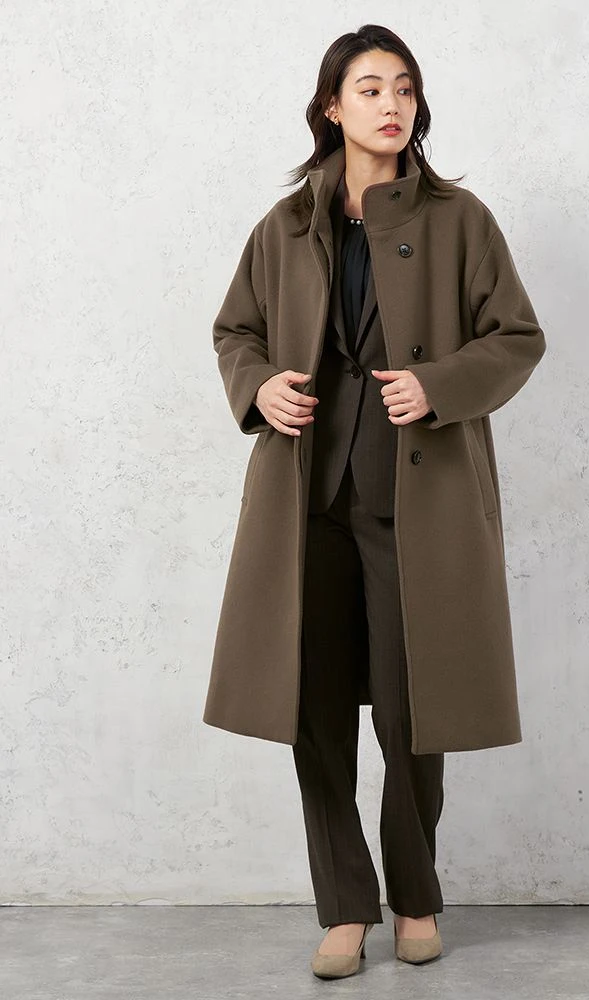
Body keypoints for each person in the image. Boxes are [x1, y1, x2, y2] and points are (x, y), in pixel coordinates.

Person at [203, 23, 546, 980]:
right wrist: (260, 386)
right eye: (369, 88)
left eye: (404, 88)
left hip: (414, 497)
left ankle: (416, 895)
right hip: (306, 495)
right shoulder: (286, 225)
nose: (390, 104)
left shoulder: (459, 220)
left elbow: (517, 336)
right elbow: (235, 331)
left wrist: (439, 384)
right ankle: (345, 908)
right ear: (332, 106)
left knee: (410, 710)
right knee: (312, 707)